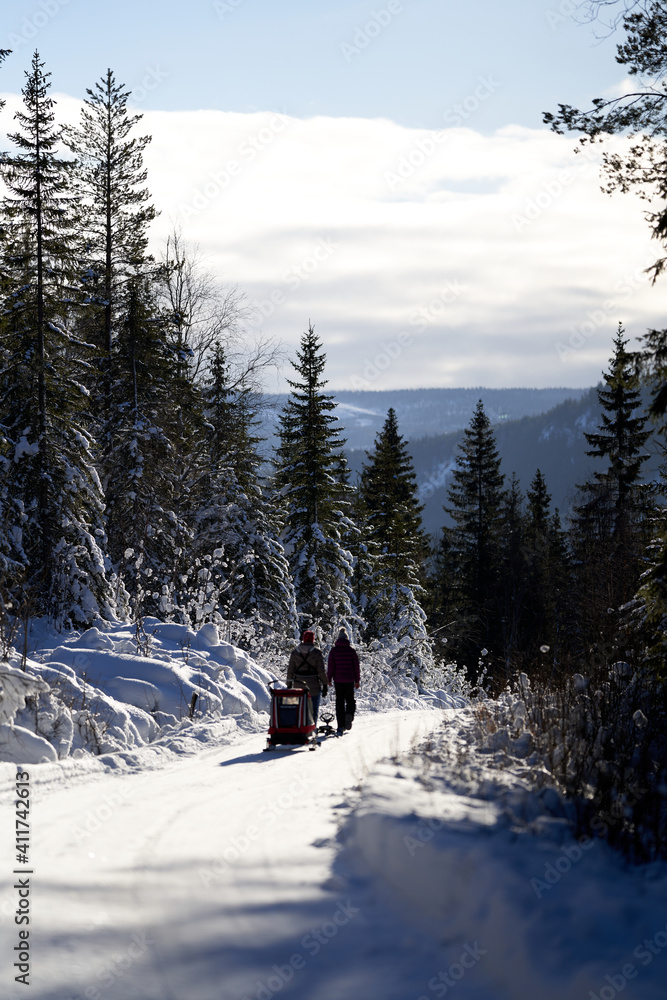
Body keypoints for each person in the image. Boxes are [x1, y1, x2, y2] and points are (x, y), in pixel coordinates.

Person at [286, 629, 328, 723]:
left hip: (298, 685)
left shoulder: (295, 653)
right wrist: (325, 684)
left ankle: (300, 727)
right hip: (313, 686)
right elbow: (321, 671)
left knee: (299, 709)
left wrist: (289, 684)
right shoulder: (317, 653)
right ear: (313, 640)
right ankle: (312, 728)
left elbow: (290, 670)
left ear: (303, 639)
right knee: (313, 710)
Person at [327, 627, 360, 734]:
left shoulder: (333, 651)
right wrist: (357, 680)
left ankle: (341, 725)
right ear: (347, 639)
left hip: (338, 680)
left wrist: (329, 679)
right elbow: (356, 667)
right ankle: (349, 714)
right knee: (350, 699)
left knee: (339, 702)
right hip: (349, 680)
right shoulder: (351, 651)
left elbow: (331, 666)